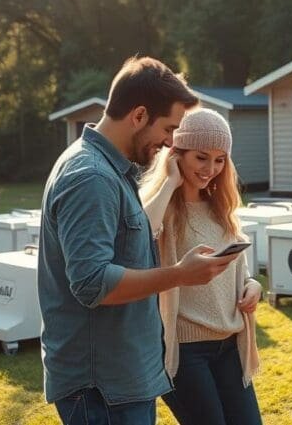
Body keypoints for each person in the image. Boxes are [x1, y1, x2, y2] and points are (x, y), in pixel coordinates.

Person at [38, 57, 242, 425]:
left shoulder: (111, 171)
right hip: (102, 386)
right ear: (139, 115)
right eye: (168, 129)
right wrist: (179, 274)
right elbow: (92, 283)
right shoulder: (91, 177)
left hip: (124, 379)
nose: (169, 142)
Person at [140, 108, 263, 425]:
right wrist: (169, 182)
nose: (211, 168)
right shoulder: (161, 208)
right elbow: (138, 235)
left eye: (220, 159)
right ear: (176, 153)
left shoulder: (221, 207)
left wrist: (253, 287)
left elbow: (242, 271)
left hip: (230, 345)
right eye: (201, 157)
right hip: (185, 351)